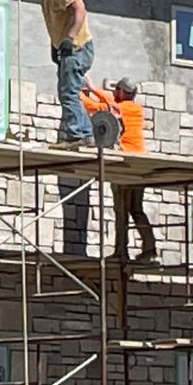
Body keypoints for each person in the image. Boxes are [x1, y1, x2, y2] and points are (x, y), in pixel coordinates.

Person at [80, 77, 156, 261]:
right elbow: (109, 100)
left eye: (116, 90)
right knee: (136, 209)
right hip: (140, 165)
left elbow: (94, 107)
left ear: (122, 92)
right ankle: (150, 249)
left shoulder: (121, 109)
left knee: (121, 210)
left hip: (125, 164)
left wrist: (77, 94)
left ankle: (121, 252)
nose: (113, 93)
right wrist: (93, 88)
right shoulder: (136, 109)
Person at [28, 0, 94, 144]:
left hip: (78, 47)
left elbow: (80, 10)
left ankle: (78, 134)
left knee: (69, 92)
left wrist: (70, 38)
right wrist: (55, 46)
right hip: (66, 49)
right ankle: (84, 133)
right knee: (67, 92)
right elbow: (54, 24)